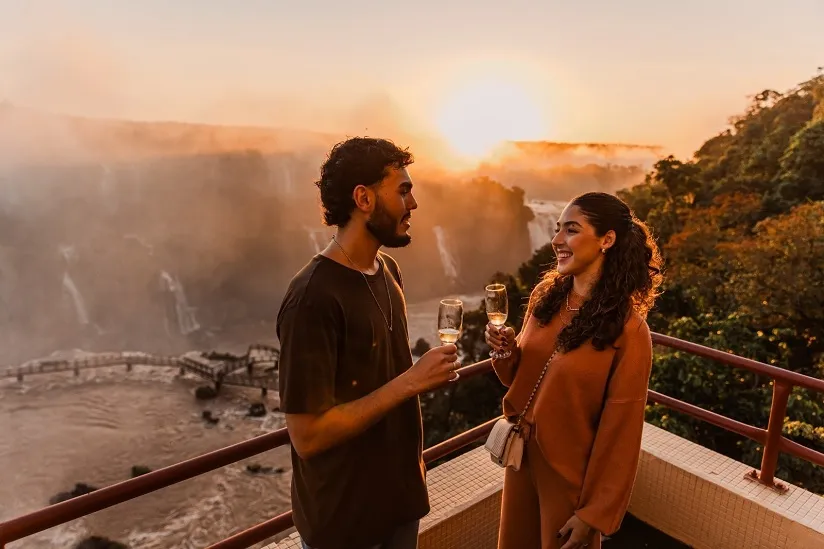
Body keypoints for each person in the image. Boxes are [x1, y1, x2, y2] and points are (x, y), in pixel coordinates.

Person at [276, 137, 461, 549]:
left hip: (399, 504)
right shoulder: (312, 298)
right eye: (403, 190)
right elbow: (307, 437)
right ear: (363, 198)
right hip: (345, 524)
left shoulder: (387, 269)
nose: (413, 204)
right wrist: (412, 381)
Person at [485, 192, 664, 549]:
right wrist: (506, 352)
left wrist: (594, 514)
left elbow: (622, 432)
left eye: (571, 230)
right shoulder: (545, 296)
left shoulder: (629, 331)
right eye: (557, 230)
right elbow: (522, 377)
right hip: (521, 461)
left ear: (606, 240)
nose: (556, 241)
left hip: (569, 476)